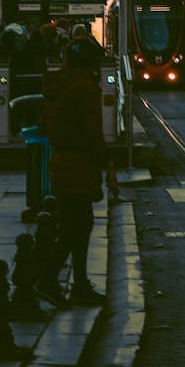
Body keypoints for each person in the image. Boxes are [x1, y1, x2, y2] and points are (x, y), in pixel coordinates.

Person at [35, 38, 112, 307]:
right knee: (75, 227)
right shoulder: (85, 89)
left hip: (61, 162)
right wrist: (106, 161)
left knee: (77, 223)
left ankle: (79, 282)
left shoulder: (56, 86)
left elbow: (44, 127)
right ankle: (47, 280)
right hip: (79, 165)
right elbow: (92, 133)